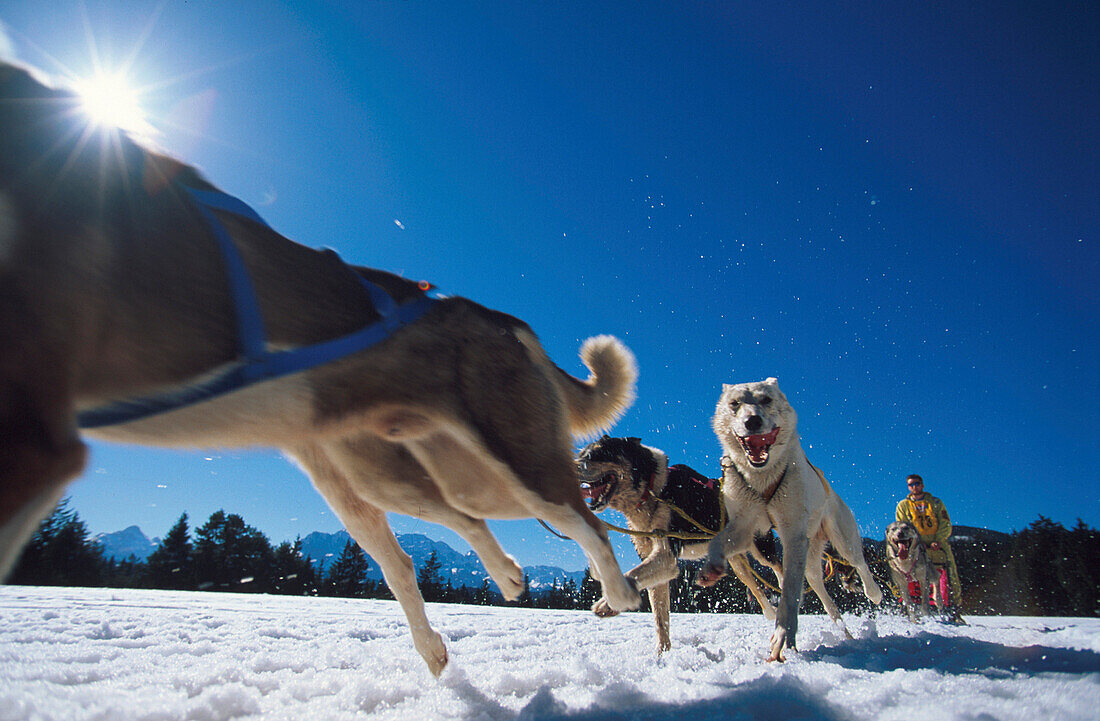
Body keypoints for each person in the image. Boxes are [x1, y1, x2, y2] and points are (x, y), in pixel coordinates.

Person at [895, 474, 963, 619]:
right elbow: (902, 527)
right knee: (907, 572)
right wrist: (914, 542)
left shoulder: (936, 503)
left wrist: (938, 539)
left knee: (949, 575)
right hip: (916, 546)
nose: (914, 487)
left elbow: (945, 523)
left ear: (923, 485)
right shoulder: (903, 505)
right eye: (911, 485)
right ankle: (910, 606)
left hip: (938, 545)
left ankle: (952, 608)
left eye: (917, 483)